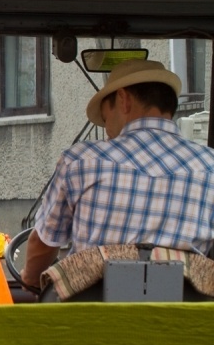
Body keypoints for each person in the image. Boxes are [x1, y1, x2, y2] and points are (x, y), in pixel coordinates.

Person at [21, 59, 214, 289]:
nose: (107, 130)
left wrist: (31, 280)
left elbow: (44, 245)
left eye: (105, 118)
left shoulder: (81, 161)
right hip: (183, 322)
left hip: (91, 319)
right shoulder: (210, 165)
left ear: (123, 100)